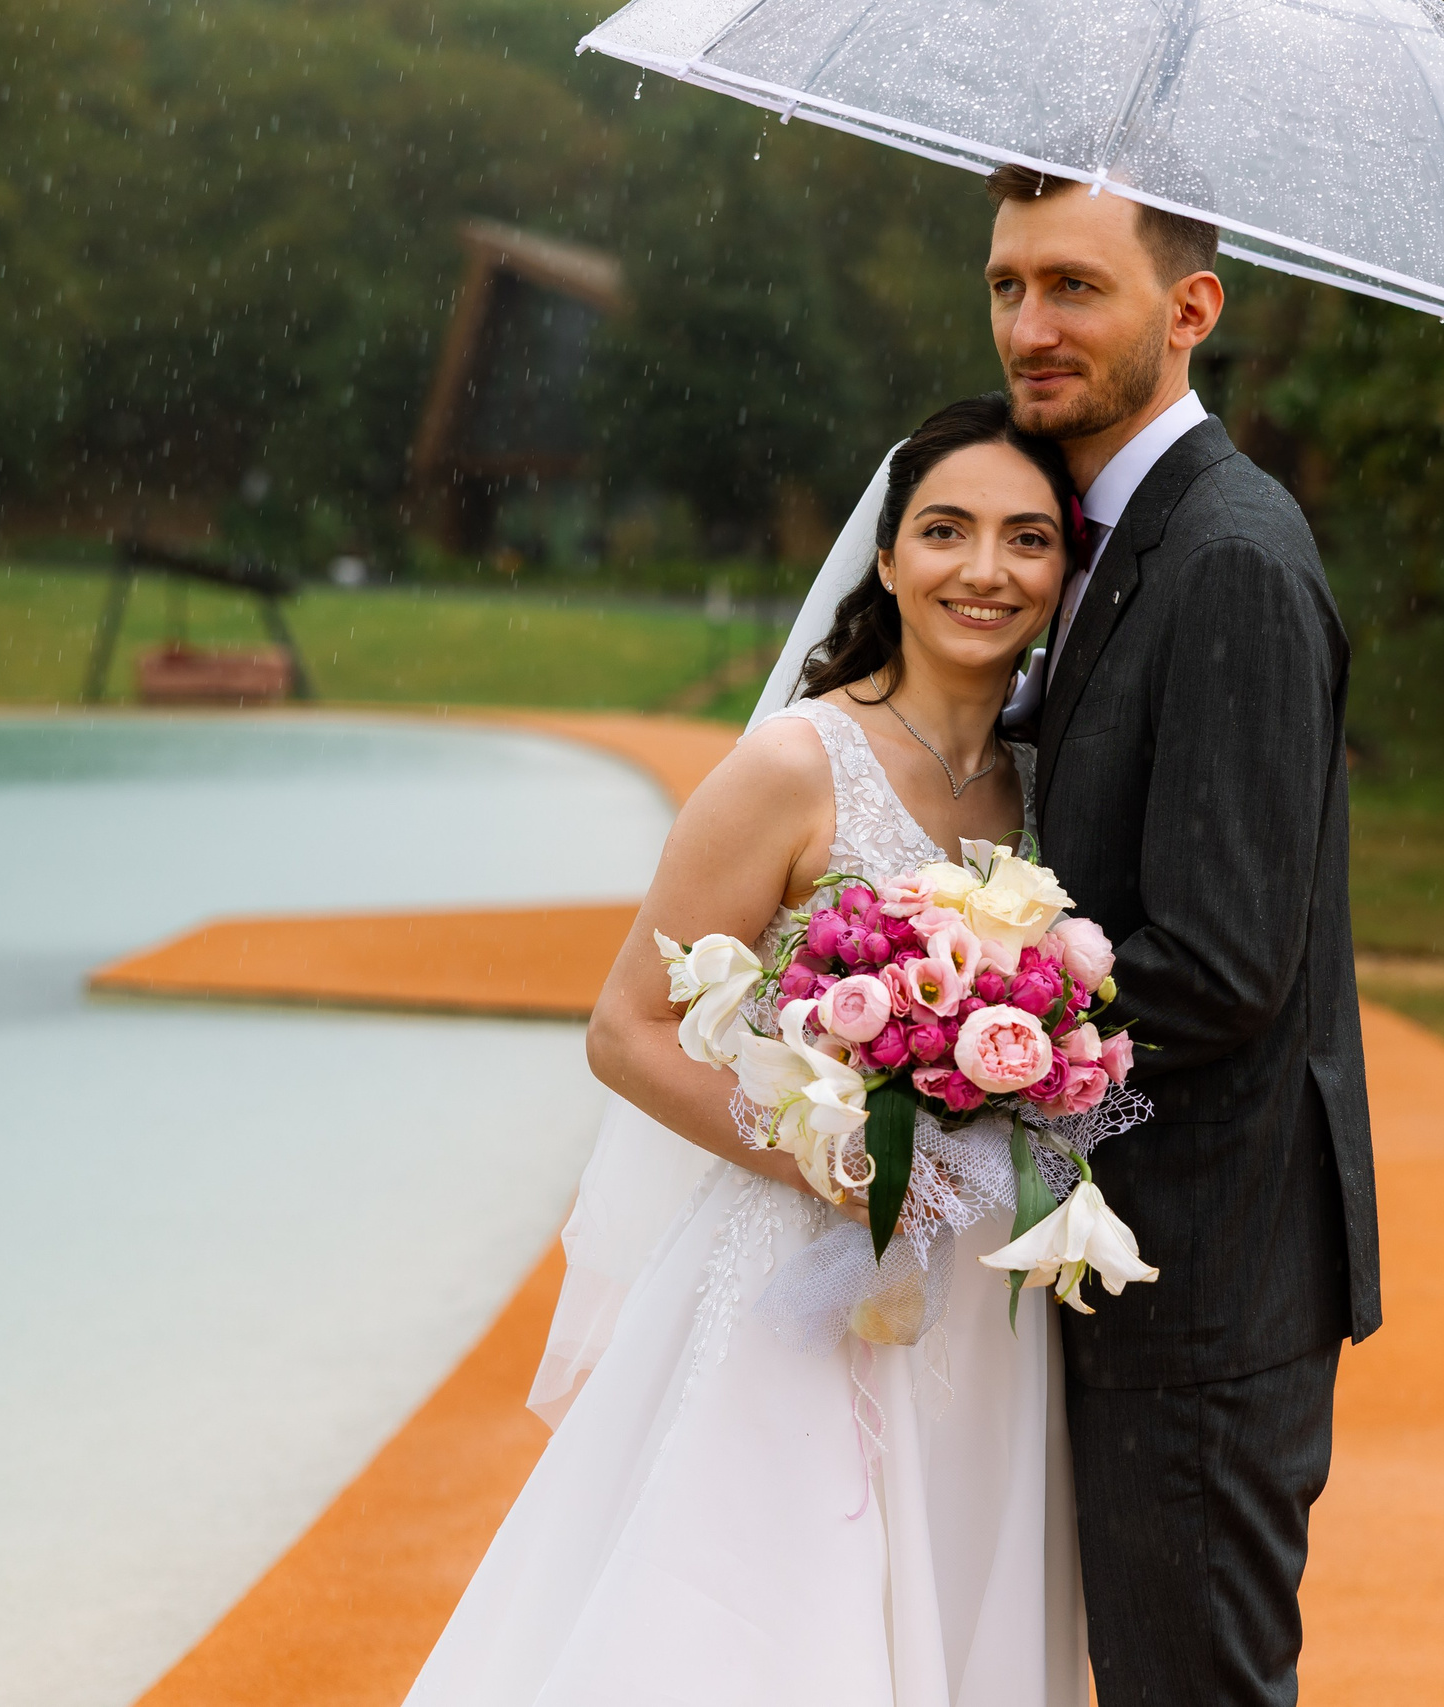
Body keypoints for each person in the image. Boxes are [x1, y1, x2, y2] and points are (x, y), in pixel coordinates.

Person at [398, 394, 1093, 1706]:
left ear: (1065, 567)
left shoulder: (1052, 782)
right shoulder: (795, 763)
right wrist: (830, 1159)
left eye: (1027, 538)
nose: (986, 570)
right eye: (946, 530)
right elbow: (626, 1028)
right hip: (793, 1287)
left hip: (981, 1312)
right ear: (888, 558)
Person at [985, 164, 1383, 1707]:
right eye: (1009, 285)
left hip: (1206, 1268)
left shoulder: (1229, 556)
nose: (1030, 325)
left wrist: (959, 1038)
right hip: (1130, 1244)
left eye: (1075, 287)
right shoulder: (1091, 534)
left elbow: (1220, 965)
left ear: (1190, 308)